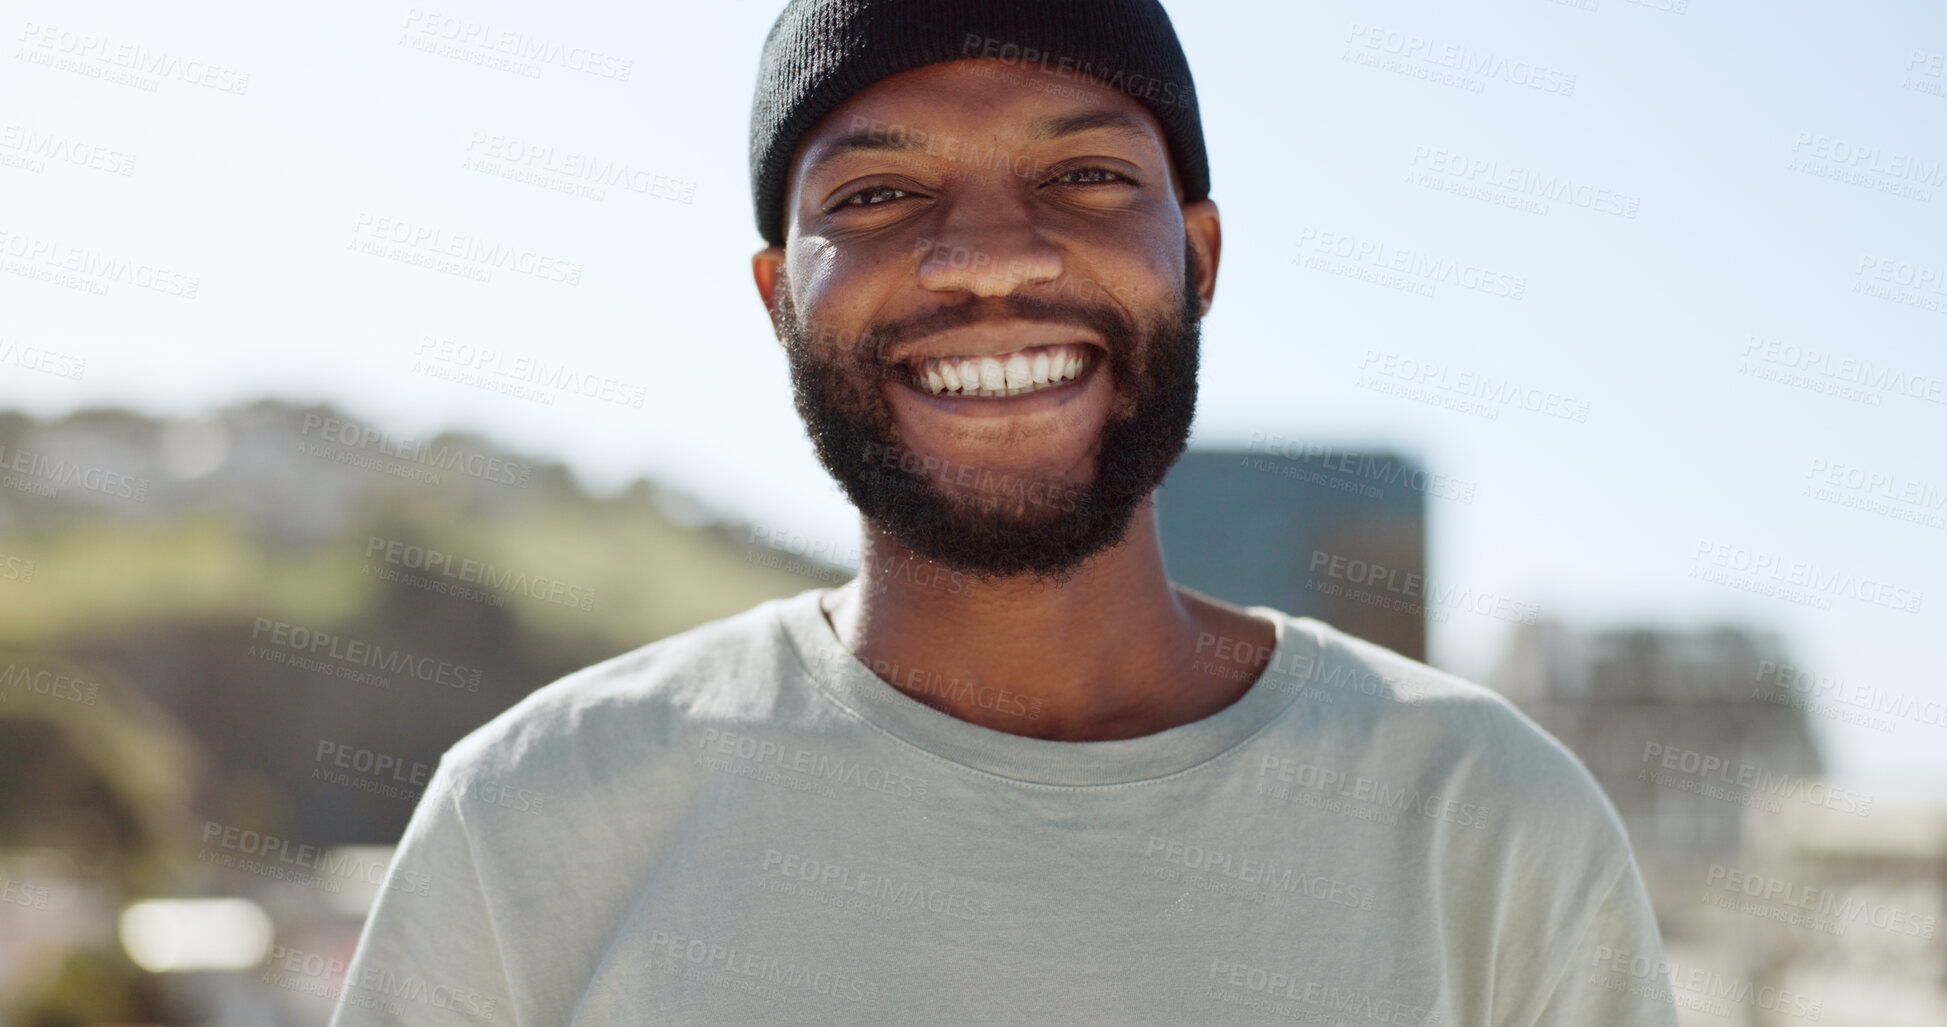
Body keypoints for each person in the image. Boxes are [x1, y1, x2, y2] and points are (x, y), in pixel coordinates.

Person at [331, 2, 1681, 1023]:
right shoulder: (533, 814)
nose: (986, 257)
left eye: (1084, 176)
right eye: (877, 193)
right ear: (777, 299)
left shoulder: (1488, 822)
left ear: (1196, 258)